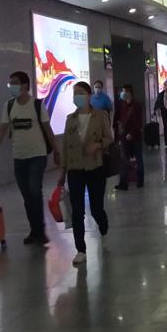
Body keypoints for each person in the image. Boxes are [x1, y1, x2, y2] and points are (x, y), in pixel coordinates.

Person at [0, 71, 61, 245]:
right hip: (19, 157)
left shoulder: (37, 105)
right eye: (10, 83)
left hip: (37, 155)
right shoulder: (9, 106)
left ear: (25, 85)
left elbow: (47, 129)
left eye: (15, 83)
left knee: (34, 190)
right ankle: (34, 231)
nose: (12, 86)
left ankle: (40, 230)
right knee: (27, 195)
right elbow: (2, 129)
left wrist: (57, 151)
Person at [57, 81, 114, 266]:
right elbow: (65, 147)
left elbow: (109, 138)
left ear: (89, 95)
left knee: (96, 208)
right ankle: (80, 249)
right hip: (75, 169)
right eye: (75, 93)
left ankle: (104, 230)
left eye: (80, 93)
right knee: (77, 211)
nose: (77, 97)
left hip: (95, 167)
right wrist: (62, 172)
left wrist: (98, 145)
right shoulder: (70, 119)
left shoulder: (100, 115)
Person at [114, 84, 144, 190]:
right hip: (124, 135)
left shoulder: (136, 105)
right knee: (124, 159)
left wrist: (131, 133)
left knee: (138, 158)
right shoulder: (122, 105)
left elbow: (138, 122)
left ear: (129, 92)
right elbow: (119, 120)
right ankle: (123, 182)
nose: (122, 93)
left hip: (135, 136)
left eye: (124, 91)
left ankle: (140, 180)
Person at [154, 79, 167, 149]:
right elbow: (158, 103)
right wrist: (156, 110)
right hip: (165, 112)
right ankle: (166, 142)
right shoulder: (161, 94)